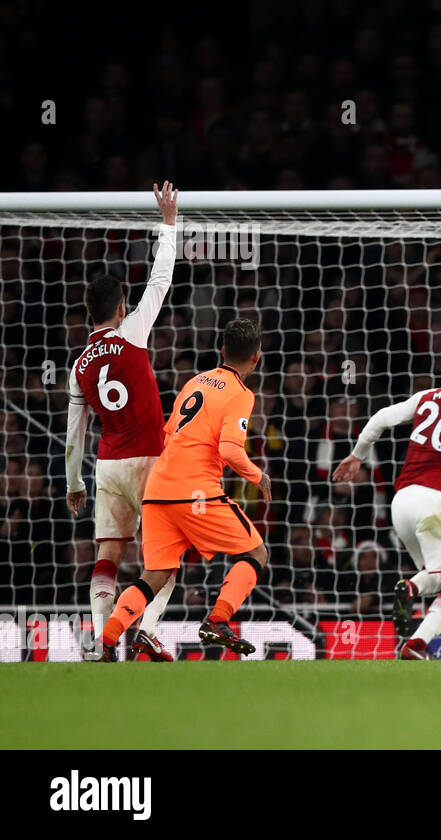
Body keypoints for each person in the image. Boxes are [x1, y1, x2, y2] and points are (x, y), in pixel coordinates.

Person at [95, 318, 273, 659]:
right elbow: (230, 449)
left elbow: (169, 433)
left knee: (155, 575)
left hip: (158, 489)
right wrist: (258, 476)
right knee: (256, 553)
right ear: (257, 358)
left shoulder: (194, 382)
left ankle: (106, 640)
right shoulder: (241, 394)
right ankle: (217, 620)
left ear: (222, 351)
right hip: (195, 492)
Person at [65, 182, 180, 661]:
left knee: (107, 556)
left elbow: (76, 434)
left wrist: (73, 484)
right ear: (118, 309)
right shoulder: (132, 332)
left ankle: (99, 640)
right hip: (150, 462)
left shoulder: (78, 365)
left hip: (107, 465)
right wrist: (169, 224)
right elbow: (160, 280)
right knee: (166, 555)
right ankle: (148, 629)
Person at [333, 339, 441, 660]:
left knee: (440, 575)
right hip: (435, 500)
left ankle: (410, 595)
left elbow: (382, 417)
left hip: (402, 502)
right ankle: (416, 638)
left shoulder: (427, 396)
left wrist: (356, 456)